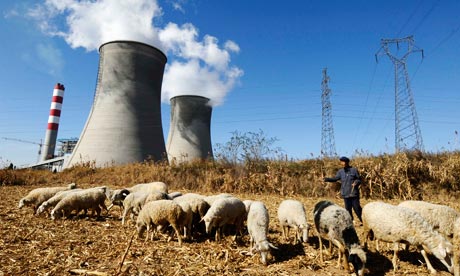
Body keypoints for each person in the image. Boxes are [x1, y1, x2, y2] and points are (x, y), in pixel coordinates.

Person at [323, 156, 363, 224]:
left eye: (344, 162)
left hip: (353, 193)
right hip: (345, 193)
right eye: (341, 162)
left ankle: (363, 221)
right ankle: (351, 222)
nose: (342, 163)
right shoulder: (340, 172)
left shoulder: (354, 170)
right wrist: (326, 179)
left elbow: (359, 179)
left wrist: (356, 182)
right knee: (348, 210)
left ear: (347, 162)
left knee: (357, 209)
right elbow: (335, 179)